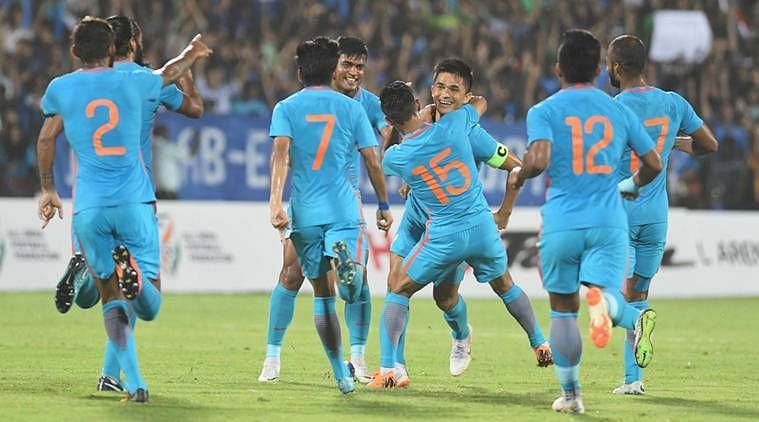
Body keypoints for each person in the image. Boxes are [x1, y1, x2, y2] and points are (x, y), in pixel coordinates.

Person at [36, 16, 211, 402]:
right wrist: (192, 54)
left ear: (74, 51)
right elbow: (172, 75)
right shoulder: (137, 80)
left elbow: (47, 137)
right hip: (134, 199)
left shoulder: (62, 88)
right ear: (116, 48)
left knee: (106, 296)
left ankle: (129, 380)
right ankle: (131, 275)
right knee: (147, 301)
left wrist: (48, 190)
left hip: (89, 206)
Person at [373, 59, 551, 388]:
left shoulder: (469, 131)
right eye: (440, 87)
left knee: (444, 298)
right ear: (427, 93)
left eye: (454, 89)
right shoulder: (450, 123)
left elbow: (514, 169)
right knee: (395, 285)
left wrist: (505, 212)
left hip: (446, 227)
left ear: (465, 95)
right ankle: (396, 367)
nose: (445, 94)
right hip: (418, 220)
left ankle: (460, 335)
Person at [514, 29, 662, 413]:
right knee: (605, 297)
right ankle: (633, 316)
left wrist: (522, 170)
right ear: (599, 69)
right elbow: (654, 163)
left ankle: (572, 395)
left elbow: (540, 159)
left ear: (557, 68)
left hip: (563, 219)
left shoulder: (543, 111)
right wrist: (630, 184)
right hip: (609, 219)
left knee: (564, 308)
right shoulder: (619, 109)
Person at [258, 36, 394, 385]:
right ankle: (277, 357)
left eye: (359, 66)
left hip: (307, 209)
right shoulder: (351, 110)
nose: (353, 72)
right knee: (320, 279)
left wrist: (274, 203)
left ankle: (351, 362)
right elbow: (374, 159)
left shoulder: (361, 104)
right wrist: (384, 202)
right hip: (345, 207)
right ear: (334, 68)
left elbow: (280, 156)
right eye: (347, 64)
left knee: (323, 290)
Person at [606, 34, 718, 395]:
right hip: (656, 216)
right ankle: (633, 380)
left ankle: (638, 326)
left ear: (618, 68)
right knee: (638, 294)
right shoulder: (672, 102)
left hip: (621, 213)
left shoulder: (614, 108)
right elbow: (709, 144)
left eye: (609, 62)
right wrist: (674, 143)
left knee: (612, 297)